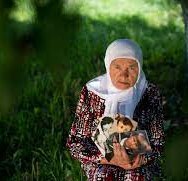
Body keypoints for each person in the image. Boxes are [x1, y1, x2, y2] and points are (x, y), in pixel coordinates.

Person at [66, 39, 165, 180]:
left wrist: (140, 159)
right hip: (100, 159)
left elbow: (158, 142)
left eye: (131, 68)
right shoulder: (92, 91)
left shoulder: (149, 92)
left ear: (140, 66)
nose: (124, 75)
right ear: (108, 65)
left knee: (135, 176)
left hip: (138, 160)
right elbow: (75, 143)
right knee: (105, 176)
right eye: (117, 67)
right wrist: (108, 159)